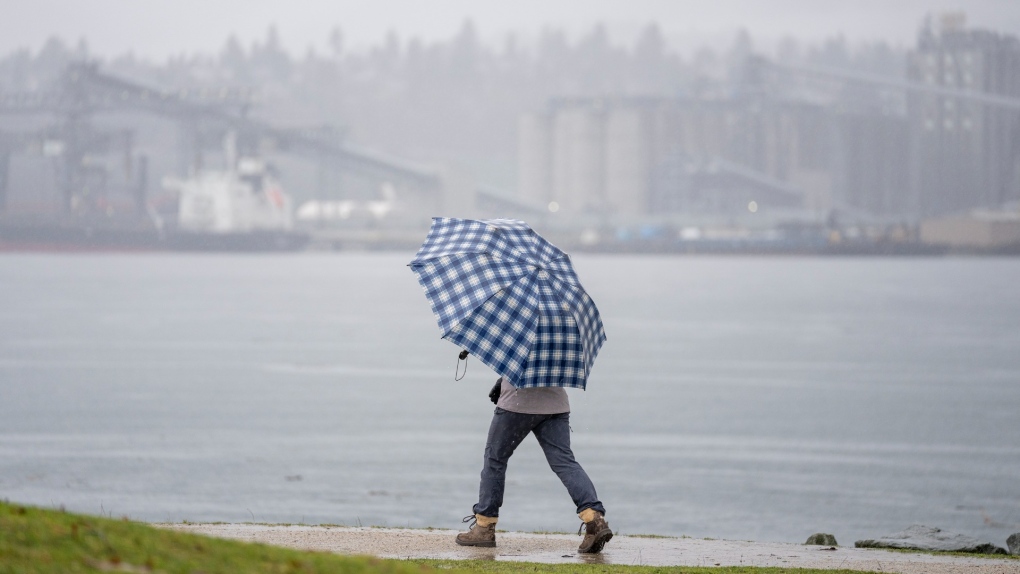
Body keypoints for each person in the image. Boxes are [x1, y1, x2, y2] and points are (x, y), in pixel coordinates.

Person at [455, 376, 612, 554]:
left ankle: (484, 527)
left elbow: (519, 360)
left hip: (516, 403)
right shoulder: (558, 346)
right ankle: (594, 518)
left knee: (495, 461)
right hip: (556, 405)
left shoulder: (522, 346)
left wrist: (504, 380)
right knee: (565, 462)